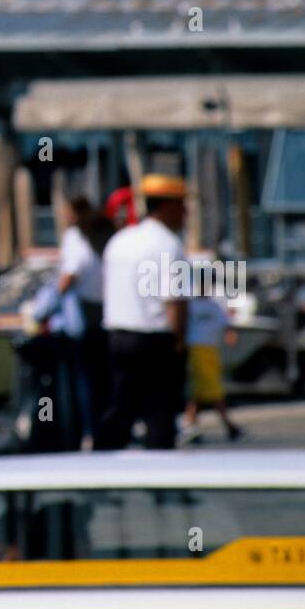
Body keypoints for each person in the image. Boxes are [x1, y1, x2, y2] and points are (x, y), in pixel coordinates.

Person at [96, 175, 189, 451]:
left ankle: (100, 460)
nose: (186, 213)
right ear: (166, 207)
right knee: (160, 411)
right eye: (182, 206)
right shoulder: (168, 245)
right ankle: (160, 476)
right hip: (155, 339)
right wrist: (180, 341)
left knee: (121, 406)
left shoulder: (120, 241)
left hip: (118, 335)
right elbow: (174, 301)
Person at [56, 197, 113, 447]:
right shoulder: (106, 241)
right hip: (108, 316)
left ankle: (87, 432)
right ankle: (102, 431)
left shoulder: (76, 239)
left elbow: (70, 276)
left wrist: (47, 305)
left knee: (85, 381)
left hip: (84, 319)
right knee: (103, 380)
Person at [183, 293, 242, 442]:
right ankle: (229, 426)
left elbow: (226, 326)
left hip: (211, 351)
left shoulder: (213, 305)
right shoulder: (190, 305)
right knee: (213, 391)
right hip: (196, 350)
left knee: (199, 391)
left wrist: (230, 336)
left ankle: (191, 426)